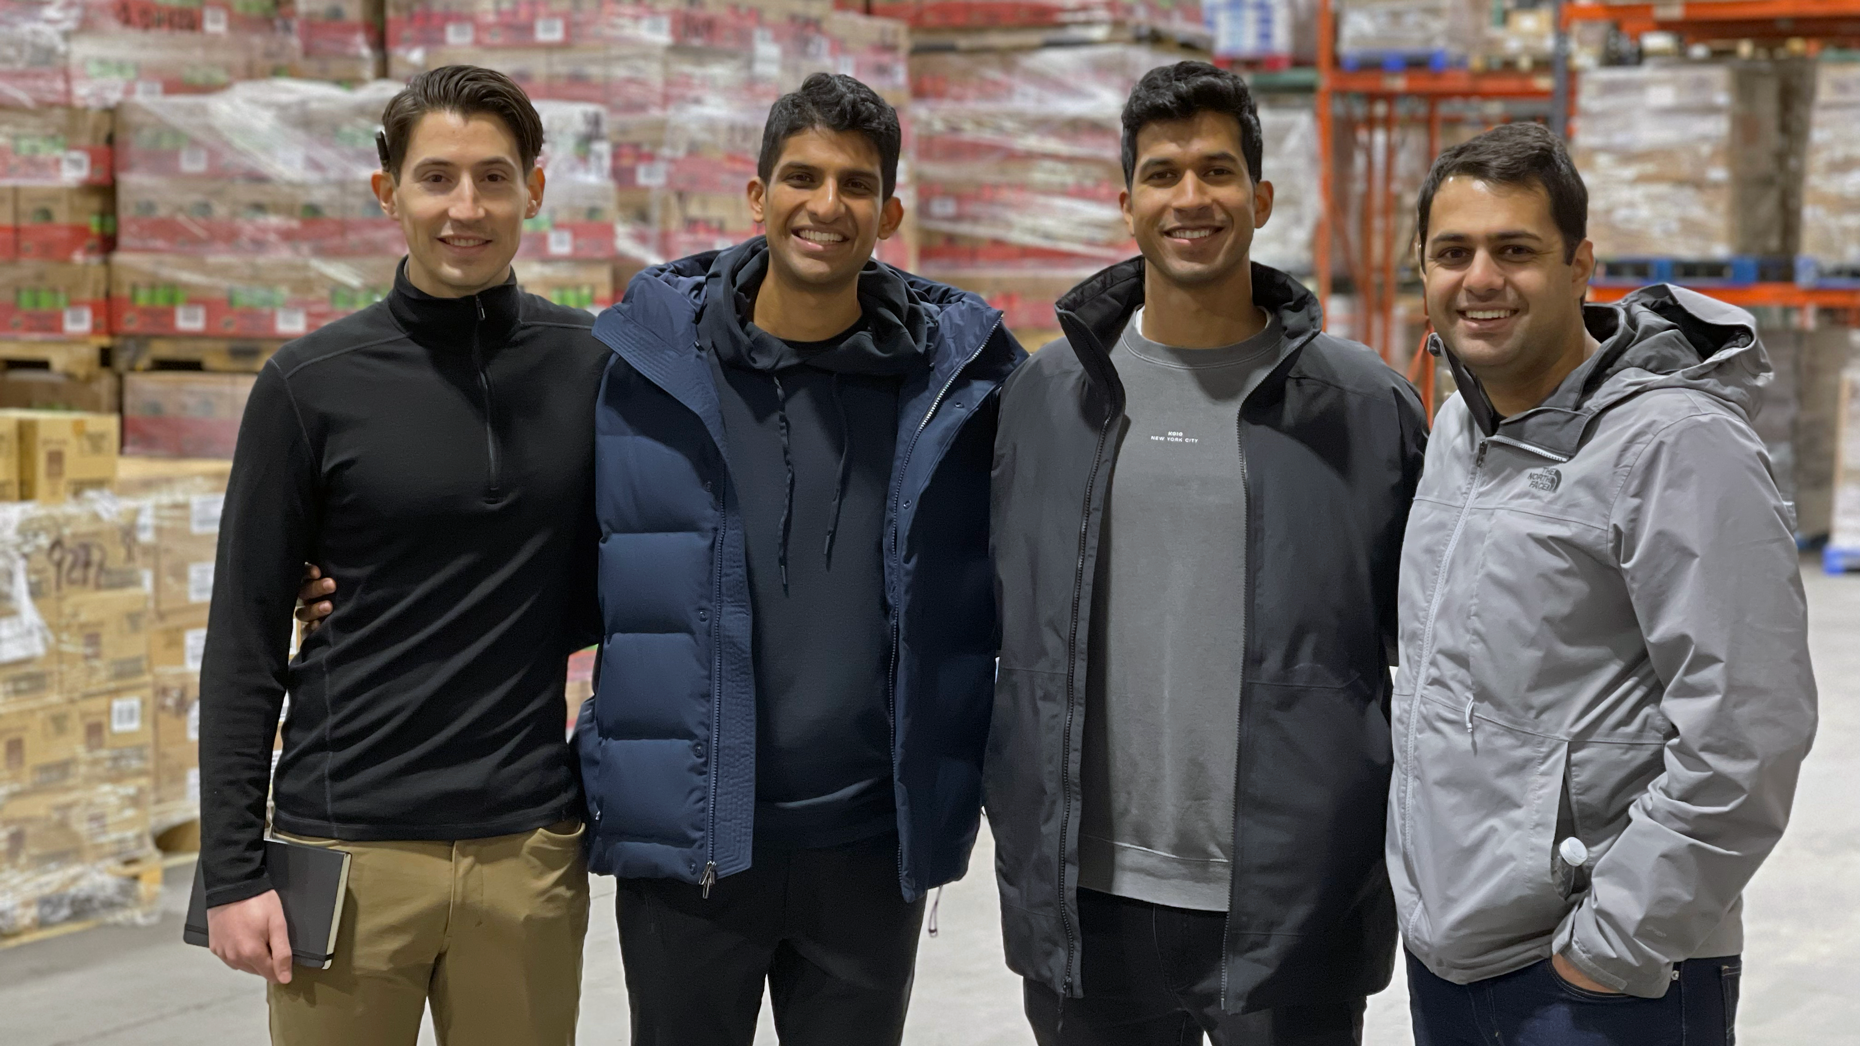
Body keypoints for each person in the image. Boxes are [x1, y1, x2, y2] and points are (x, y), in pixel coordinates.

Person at [577, 72, 1023, 1045]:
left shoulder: (961, 384)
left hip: (866, 848)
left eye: (855, 184)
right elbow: (549, 552)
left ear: (889, 209)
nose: (826, 205)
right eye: (801, 177)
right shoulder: (647, 372)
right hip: (692, 846)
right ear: (757, 194)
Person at [988, 60, 1427, 1045]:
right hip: (1087, 902)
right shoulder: (1044, 402)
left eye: (1218, 171)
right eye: (1164, 173)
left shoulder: (1365, 408)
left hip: (1289, 905)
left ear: (1261, 197)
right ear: (1127, 202)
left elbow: (1440, 654)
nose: (1192, 197)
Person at [198, 65, 603, 1045]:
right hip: (342, 844)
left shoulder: (593, 364)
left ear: (534, 191)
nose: (466, 207)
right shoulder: (311, 385)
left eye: (494, 178)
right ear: (390, 193)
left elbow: (619, 572)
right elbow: (244, 637)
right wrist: (232, 870)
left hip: (526, 844)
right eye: (437, 178)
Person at [1390, 121, 1818, 1046]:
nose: (1481, 279)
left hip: (1603, 984)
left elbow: (1749, 725)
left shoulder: (1674, 443)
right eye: (1452, 252)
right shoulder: (1463, 431)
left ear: (1582, 265)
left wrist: (1615, 943)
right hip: (1453, 958)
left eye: (1516, 250)